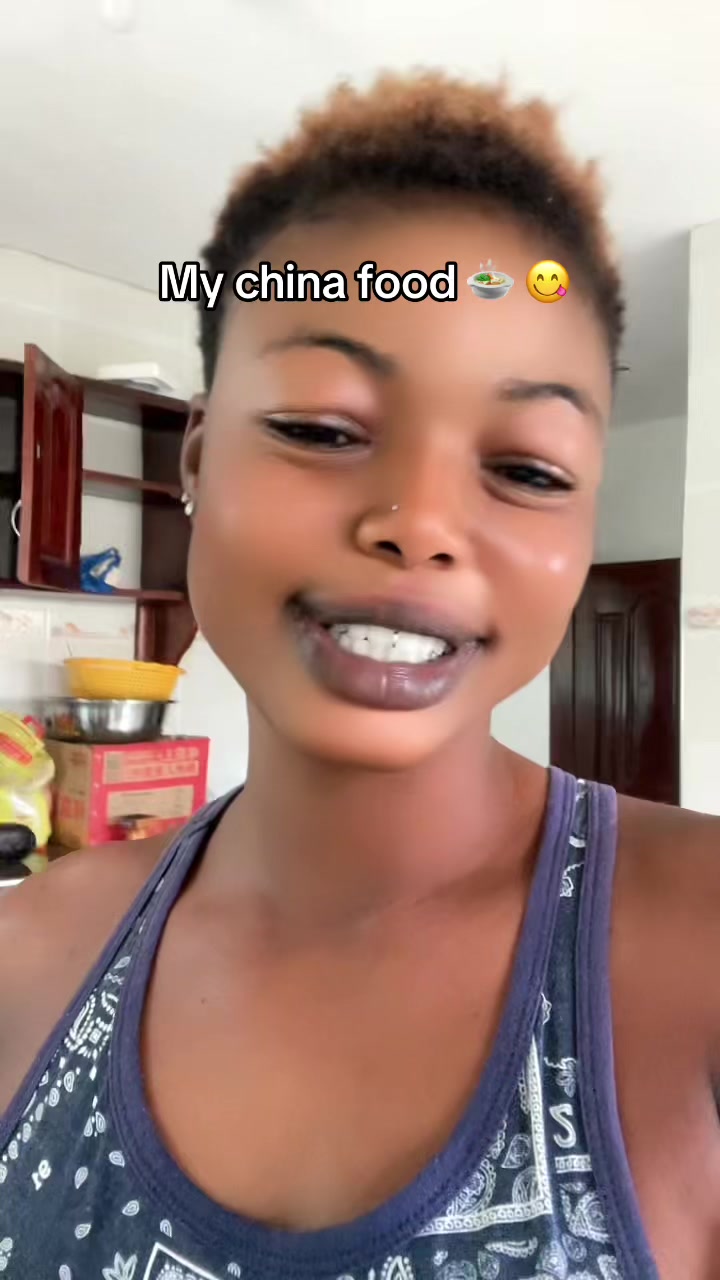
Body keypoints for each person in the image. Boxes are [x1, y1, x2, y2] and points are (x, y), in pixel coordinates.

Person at [0, 71, 717, 1280]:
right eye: (323, 429)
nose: (419, 523)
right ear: (196, 456)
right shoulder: (29, 953)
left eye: (529, 470)